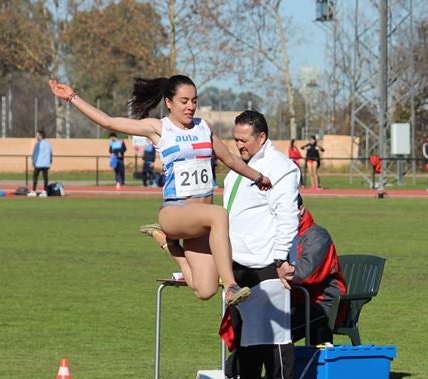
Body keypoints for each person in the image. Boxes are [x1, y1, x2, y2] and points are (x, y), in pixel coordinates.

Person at [49, 75, 271, 306]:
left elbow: (230, 159)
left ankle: (169, 244)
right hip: (176, 212)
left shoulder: (204, 128)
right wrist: (72, 97)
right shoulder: (159, 128)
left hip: (201, 222)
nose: (190, 106)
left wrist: (258, 177)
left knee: (205, 289)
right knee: (219, 214)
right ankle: (232, 286)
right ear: (168, 102)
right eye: (184, 101)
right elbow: (108, 122)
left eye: (194, 101)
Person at [222, 110, 301, 379]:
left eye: (244, 140)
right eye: (236, 139)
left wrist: (281, 257)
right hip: (238, 262)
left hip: (268, 262)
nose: (239, 145)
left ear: (262, 137)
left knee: (278, 333)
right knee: (248, 331)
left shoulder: (280, 168)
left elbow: (286, 216)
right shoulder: (238, 168)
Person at [290, 196, 347, 347]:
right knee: (257, 327)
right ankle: (236, 369)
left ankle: (235, 370)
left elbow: (305, 274)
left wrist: (275, 273)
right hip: (295, 299)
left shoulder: (317, 236)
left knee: (279, 334)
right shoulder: (284, 235)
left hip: (322, 303)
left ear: (301, 209)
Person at [30, 129, 52, 195]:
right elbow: (50, 154)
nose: (36, 136)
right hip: (46, 164)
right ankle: (45, 191)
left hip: (39, 164)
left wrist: (33, 162)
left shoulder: (38, 144)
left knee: (35, 177)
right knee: (45, 178)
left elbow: (35, 154)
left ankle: (33, 191)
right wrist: (50, 162)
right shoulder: (48, 144)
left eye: (37, 135)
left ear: (41, 136)